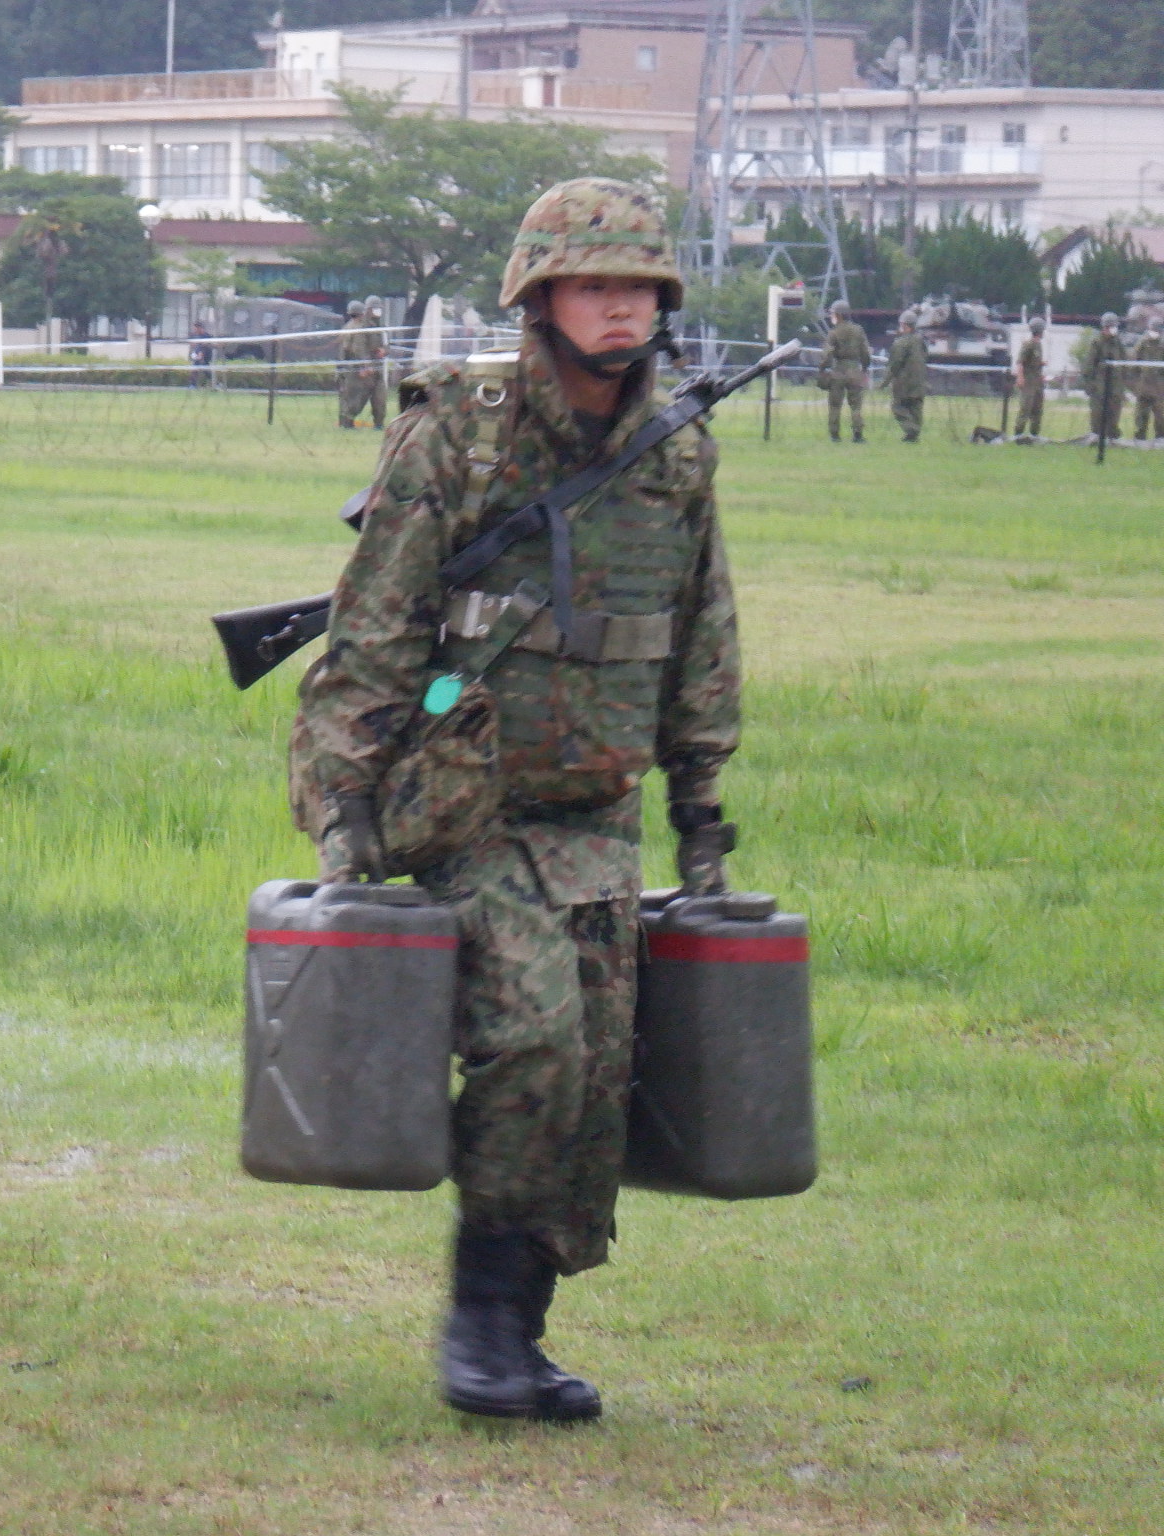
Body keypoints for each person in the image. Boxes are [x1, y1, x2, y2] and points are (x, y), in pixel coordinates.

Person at [294, 178, 741, 1423]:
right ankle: (478, 1327)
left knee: (593, 1074)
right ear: (538, 299)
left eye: (639, 285)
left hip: (594, 811)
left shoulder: (678, 453)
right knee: (535, 1034)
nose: (621, 307)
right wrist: (347, 802)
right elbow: (371, 626)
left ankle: (521, 1331)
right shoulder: (460, 431)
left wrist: (699, 807)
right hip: (461, 796)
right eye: (595, 284)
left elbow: (699, 633)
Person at [816, 298, 870, 443]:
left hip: (838, 370)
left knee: (835, 405)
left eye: (833, 314)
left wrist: (822, 368)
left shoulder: (833, 333)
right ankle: (858, 435)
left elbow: (827, 355)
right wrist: (865, 367)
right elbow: (865, 352)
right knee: (856, 405)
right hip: (854, 370)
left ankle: (835, 435)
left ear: (838, 315)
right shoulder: (858, 330)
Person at [337, 299, 388, 430]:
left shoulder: (377, 326)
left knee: (379, 399)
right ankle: (347, 423)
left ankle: (379, 424)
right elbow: (358, 348)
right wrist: (365, 365)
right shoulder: (357, 327)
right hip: (357, 370)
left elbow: (385, 344)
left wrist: (384, 350)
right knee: (354, 400)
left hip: (376, 369)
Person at [882, 310, 928, 442]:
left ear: (905, 325)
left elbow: (894, 364)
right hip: (920, 381)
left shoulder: (901, 343)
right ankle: (913, 437)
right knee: (916, 408)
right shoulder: (921, 341)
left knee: (897, 407)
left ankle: (912, 430)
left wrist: (884, 382)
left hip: (904, 382)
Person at [1081, 312, 1126, 443]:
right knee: (1098, 412)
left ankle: (1112, 436)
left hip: (1115, 385)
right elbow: (1089, 365)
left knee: (1114, 410)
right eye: (1112, 326)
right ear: (1105, 327)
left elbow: (1124, 362)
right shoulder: (1097, 342)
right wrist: (1089, 385)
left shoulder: (1118, 343)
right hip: (1100, 385)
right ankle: (1097, 436)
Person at [1129, 317, 1163, 442]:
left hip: (1159, 387)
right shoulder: (1142, 343)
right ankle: (1139, 437)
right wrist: (1134, 385)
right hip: (1143, 385)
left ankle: (1160, 437)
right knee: (1141, 415)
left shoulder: (1162, 344)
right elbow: (1133, 363)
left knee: (1160, 414)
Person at [1014, 315, 1046, 440]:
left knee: (1037, 408)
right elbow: (1020, 362)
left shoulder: (1038, 345)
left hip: (1037, 382)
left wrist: (1041, 365)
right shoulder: (1028, 344)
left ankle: (1034, 434)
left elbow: (1034, 362)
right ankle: (1018, 434)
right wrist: (1020, 378)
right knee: (1026, 407)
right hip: (1028, 382)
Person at [188, 319, 216, 389]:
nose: (195, 330)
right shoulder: (196, 335)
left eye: (196, 328)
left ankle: (215, 383)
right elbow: (195, 345)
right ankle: (193, 385)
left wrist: (201, 354)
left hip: (206, 355)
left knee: (205, 368)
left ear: (200, 328)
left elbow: (206, 346)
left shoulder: (206, 335)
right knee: (195, 368)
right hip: (198, 355)